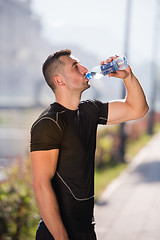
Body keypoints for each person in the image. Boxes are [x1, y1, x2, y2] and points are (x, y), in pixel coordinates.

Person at [30, 49, 149, 240]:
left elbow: (138, 109)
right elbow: (41, 185)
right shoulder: (49, 123)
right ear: (59, 80)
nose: (84, 68)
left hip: (87, 229)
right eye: (75, 67)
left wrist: (128, 76)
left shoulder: (90, 110)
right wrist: (61, 237)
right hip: (57, 233)